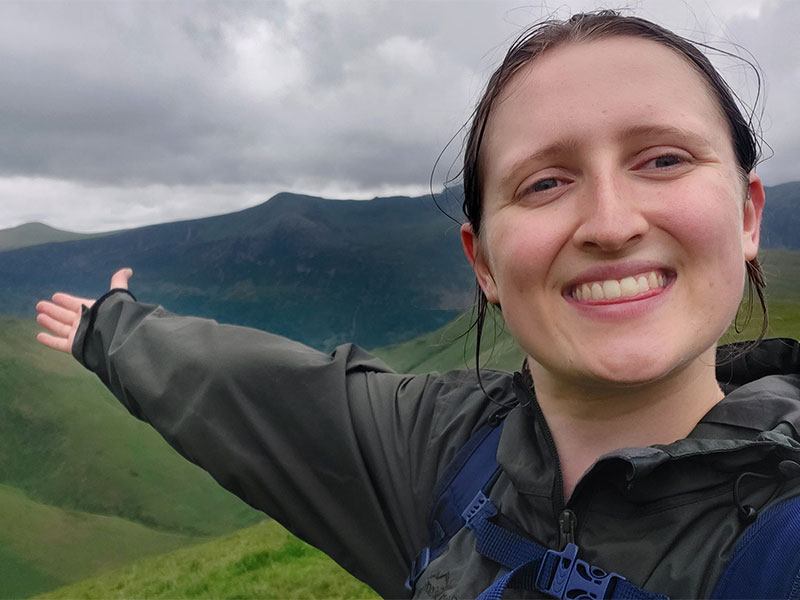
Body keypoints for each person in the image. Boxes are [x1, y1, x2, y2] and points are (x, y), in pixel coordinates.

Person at [34, 10, 800, 600]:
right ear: (485, 264)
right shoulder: (441, 457)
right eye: (545, 182)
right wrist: (111, 326)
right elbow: (242, 386)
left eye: (663, 159)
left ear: (746, 216)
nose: (610, 222)